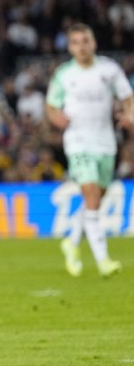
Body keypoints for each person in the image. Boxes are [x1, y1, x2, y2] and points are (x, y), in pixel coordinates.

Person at [46, 22, 134, 277]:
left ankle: (71, 243)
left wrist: (130, 116)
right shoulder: (64, 74)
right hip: (78, 142)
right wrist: (56, 119)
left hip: (106, 142)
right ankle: (103, 260)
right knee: (93, 199)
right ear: (70, 47)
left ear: (94, 43)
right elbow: (51, 106)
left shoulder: (109, 70)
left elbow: (128, 99)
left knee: (94, 200)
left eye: (85, 41)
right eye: (75, 42)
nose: (81, 46)